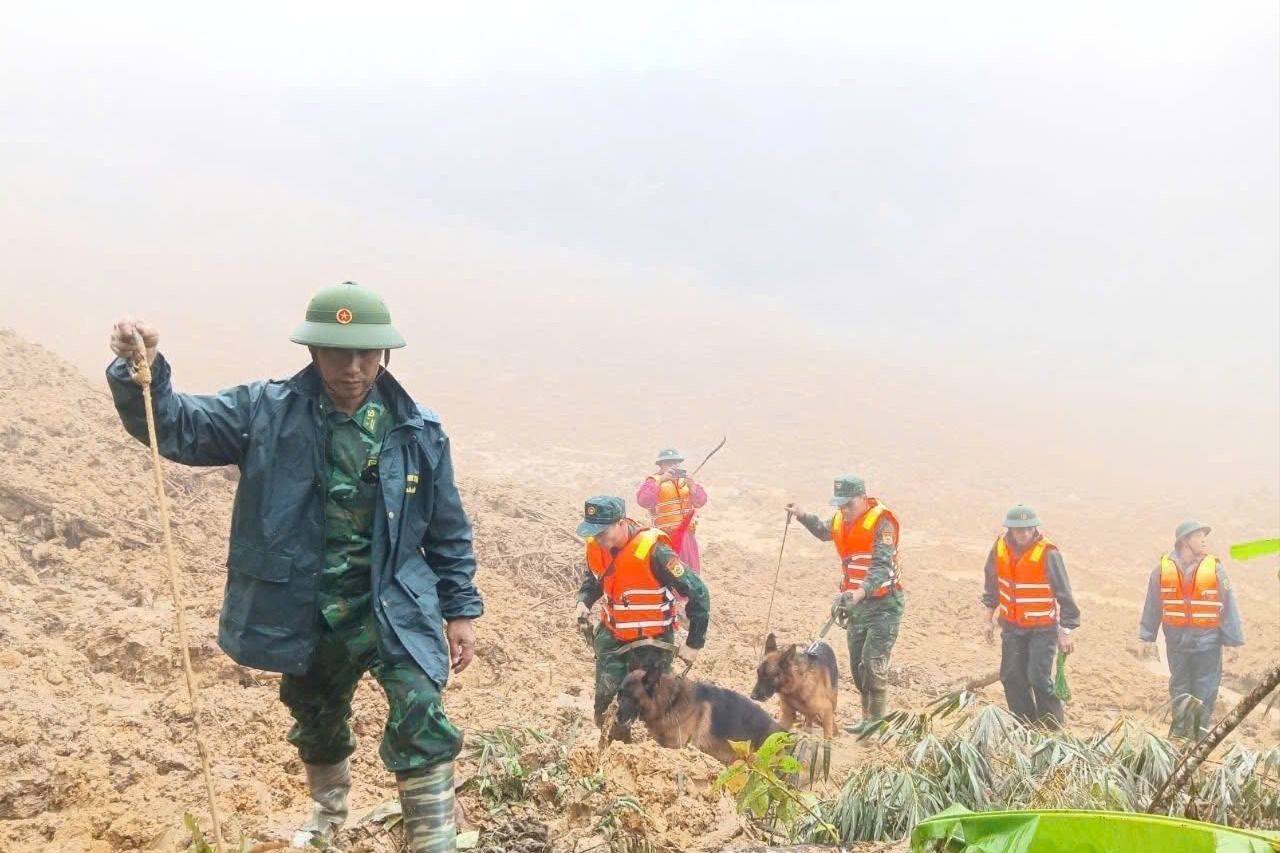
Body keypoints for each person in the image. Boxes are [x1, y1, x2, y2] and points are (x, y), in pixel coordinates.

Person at [107, 282, 481, 852]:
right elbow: (176, 424)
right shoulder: (263, 410)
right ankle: (329, 813)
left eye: (365, 354)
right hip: (303, 605)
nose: (352, 367)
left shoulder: (418, 431)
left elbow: (446, 526)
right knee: (315, 712)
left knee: (420, 706)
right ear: (312, 352)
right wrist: (144, 371)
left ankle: (433, 838)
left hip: (392, 603)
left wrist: (460, 611)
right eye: (337, 352)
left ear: (384, 354)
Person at [574, 496, 710, 740]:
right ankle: (616, 754)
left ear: (621, 522)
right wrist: (583, 601)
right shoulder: (597, 548)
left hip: (653, 643)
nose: (599, 539)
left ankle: (660, 756)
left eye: (603, 532)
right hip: (613, 637)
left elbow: (697, 591)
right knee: (606, 710)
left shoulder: (655, 551)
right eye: (594, 533)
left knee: (659, 711)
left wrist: (694, 643)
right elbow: (594, 580)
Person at [785, 475, 904, 721]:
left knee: (873, 665)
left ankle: (875, 724)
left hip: (884, 604)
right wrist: (801, 514)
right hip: (856, 605)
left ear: (863, 498)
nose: (844, 509)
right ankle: (866, 717)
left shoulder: (882, 523)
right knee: (858, 668)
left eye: (849, 504)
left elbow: (881, 567)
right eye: (840, 504)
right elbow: (822, 531)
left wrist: (858, 593)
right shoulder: (841, 519)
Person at [1139, 521, 1245, 738]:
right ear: (1184, 540)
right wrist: (1146, 637)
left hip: (1207, 642)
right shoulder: (1161, 570)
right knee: (1179, 686)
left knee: (1205, 690)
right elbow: (1153, 605)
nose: (1204, 539)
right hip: (1176, 642)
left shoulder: (1216, 568)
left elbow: (1228, 605)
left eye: (1204, 535)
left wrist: (1233, 642)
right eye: (1198, 536)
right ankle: (1179, 733)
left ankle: (1198, 736)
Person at [980, 504, 1080, 729]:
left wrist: (1066, 632)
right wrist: (987, 619)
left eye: (1027, 528)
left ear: (1034, 528)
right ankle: (1025, 725)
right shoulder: (999, 548)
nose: (1023, 533)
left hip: (1042, 629)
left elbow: (1065, 594)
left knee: (1038, 678)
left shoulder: (1048, 553)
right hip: (1012, 627)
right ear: (1010, 530)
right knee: (1011, 678)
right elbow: (992, 586)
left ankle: (1052, 729)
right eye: (1018, 529)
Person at [635, 448, 708, 572]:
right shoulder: (653, 481)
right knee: (670, 572)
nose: (673, 466)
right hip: (665, 537)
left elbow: (700, 502)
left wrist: (692, 487)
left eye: (675, 462)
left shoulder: (686, 481)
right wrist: (660, 481)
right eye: (668, 463)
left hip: (686, 536)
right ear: (661, 465)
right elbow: (643, 501)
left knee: (690, 571)